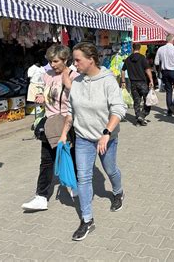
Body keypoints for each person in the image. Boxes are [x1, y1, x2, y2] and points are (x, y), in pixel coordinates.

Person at [59, 42, 127, 241]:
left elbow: (118, 109)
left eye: (78, 60)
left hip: (106, 138)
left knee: (110, 169)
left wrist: (106, 132)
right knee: (84, 177)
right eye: (74, 60)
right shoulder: (77, 82)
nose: (74, 63)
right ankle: (87, 220)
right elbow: (71, 111)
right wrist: (64, 133)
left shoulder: (108, 81)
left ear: (91, 60)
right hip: (83, 139)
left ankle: (118, 192)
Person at [22, 44, 78, 211]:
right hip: (50, 122)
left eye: (56, 61)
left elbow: (77, 100)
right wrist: (40, 96)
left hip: (67, 123)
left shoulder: (74, 76)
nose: (52, 65)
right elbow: (45, 93)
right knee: (46, 161)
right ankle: (41, 197)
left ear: (65, 59)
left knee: (70, 156)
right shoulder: (46, 75)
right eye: (50, 61)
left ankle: (75, 186)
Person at [121, 43, 154, 126]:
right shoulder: (142, 58)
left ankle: (138, 118)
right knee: (148, 100)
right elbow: (147, 69)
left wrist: (123, 81)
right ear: (139, 48)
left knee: (137, 101)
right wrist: (151, 80)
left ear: (133, 48)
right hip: (142, 82)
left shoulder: (128, 59)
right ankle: (142, 116)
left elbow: (123, 70)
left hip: (133, 83)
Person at [154, 34, 174, 116]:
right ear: (173, 40)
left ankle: (169, 110)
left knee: (168, 91)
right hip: (173, 71)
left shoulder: (160, 49)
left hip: (164, 71)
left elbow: (156, 62)